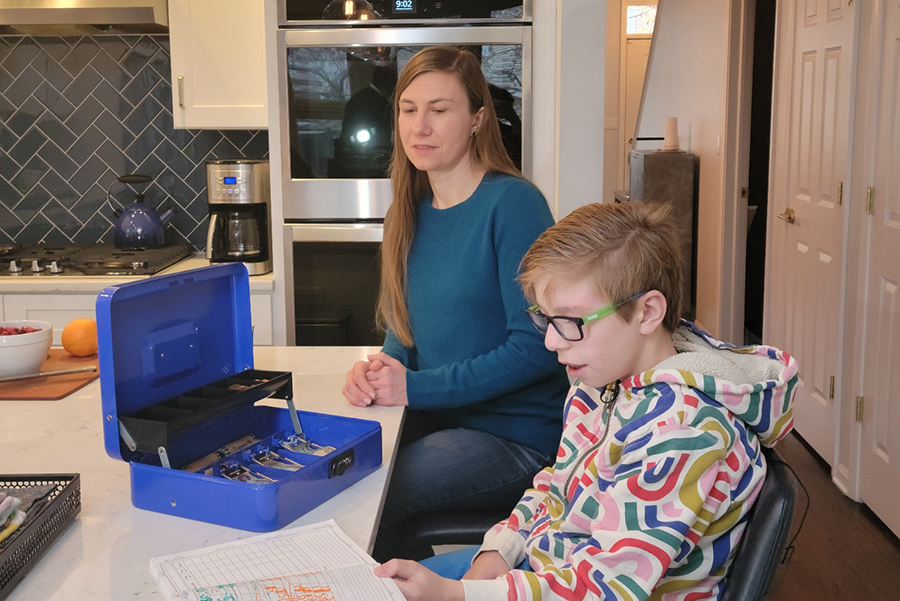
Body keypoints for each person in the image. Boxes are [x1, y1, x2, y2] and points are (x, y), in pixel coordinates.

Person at [374, 201, 799, 601]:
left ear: (648, 312)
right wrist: (500, 550)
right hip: (544, 570)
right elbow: (559, 483)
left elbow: (608, 589)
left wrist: (462, 594)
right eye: (544, 317)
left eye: (570, 322)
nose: (552, 341)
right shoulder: (599, 382)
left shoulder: (682, 433)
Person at [341, 46, 569, 562]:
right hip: (438, 418)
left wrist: (413, 386)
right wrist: (378, 370)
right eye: (409, 109)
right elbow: (403, 332)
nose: (420, 126)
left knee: (365, 494)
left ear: (477, 119)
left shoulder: (513, 204)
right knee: (342, 469)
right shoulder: (409, 210)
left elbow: (537, 346)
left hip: (513, 435)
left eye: (440, 110)